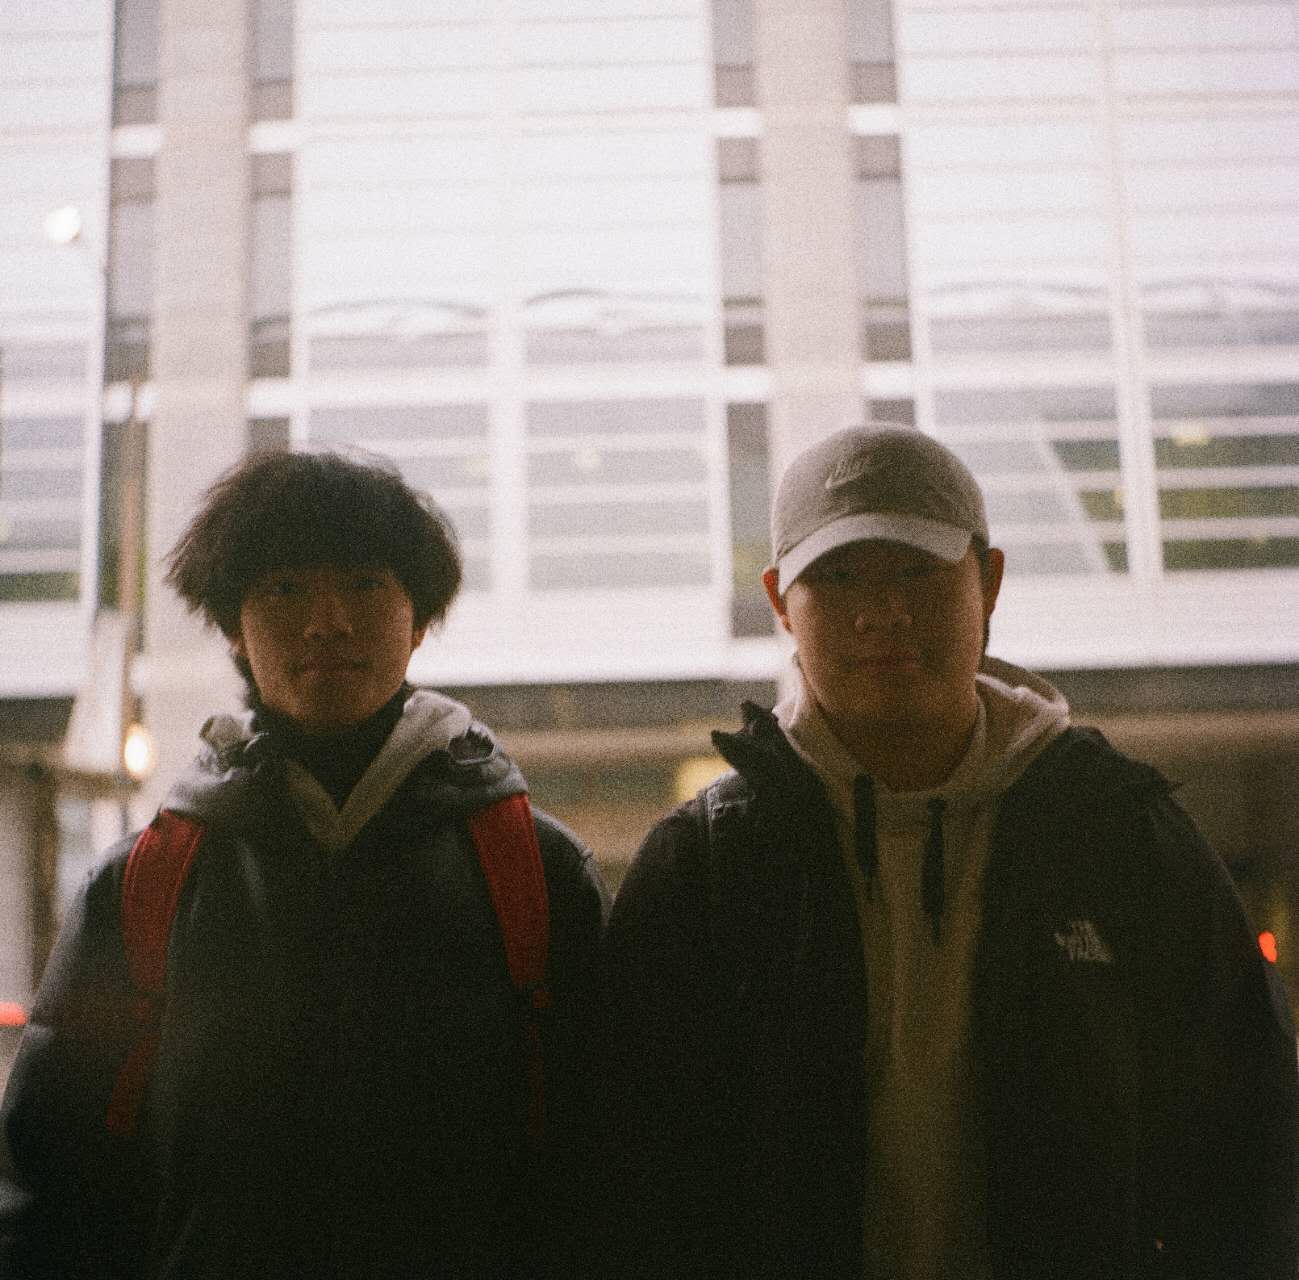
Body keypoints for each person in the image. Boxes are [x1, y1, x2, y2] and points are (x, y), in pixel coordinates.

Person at [602, 425, 1298, 1279]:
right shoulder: (707, 864)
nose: (880, 611)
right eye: (837, 576)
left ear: (988, 580)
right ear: (780, 600)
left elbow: (1249, 1144)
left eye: (916, 570)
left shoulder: (1115, 832)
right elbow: (632, 1177)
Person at [1, 449, 609, 1279]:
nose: (328, 622)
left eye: (364, 584)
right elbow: (51, 1191)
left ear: (419, 619)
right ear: (233, 628)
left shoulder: (533, 872)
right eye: (284, 589)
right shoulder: (142, 886)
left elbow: (607, 1169)